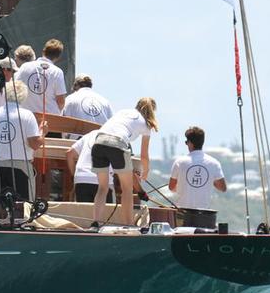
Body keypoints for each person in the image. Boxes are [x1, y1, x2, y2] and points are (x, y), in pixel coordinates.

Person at [91, 97, 158, 226]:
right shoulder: (146, 125)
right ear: (152, 111)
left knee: (103, 187)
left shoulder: (123, 112)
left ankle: (96, 222)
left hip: (98, 142)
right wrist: (146, 171)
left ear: (137, 106)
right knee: (126, 189)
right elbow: (144, 155)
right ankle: (128, 225)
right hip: (118, 143)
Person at [0, 80, 47, 200]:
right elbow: (34, 144)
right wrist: (42, 132)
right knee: (24, 207)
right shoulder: (27, 115)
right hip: (21, 167)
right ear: (23, 96)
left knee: (2, 206)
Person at [169, 126, 227, 210]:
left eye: (186, 142)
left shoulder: (179, 162)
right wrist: (210, 180)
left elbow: (171, 187)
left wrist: (184, 185)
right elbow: (223, 188)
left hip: (182, 212)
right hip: (204, 214)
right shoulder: (214, 163)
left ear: (190, 143)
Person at [14, 39, 66, 115]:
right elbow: (61, 102)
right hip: (49, 120)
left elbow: (15, 89)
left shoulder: (25, 67)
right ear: (58, 57)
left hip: (25, 116)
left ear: (43, 51)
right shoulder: (58, 72)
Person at [65, 129, 113, 204]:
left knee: (83, 214)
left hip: (82, 179)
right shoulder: (116, 137)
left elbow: (69, 153)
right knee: (104, 214)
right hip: (102, 180)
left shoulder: (89, 135)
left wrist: (74, 176)